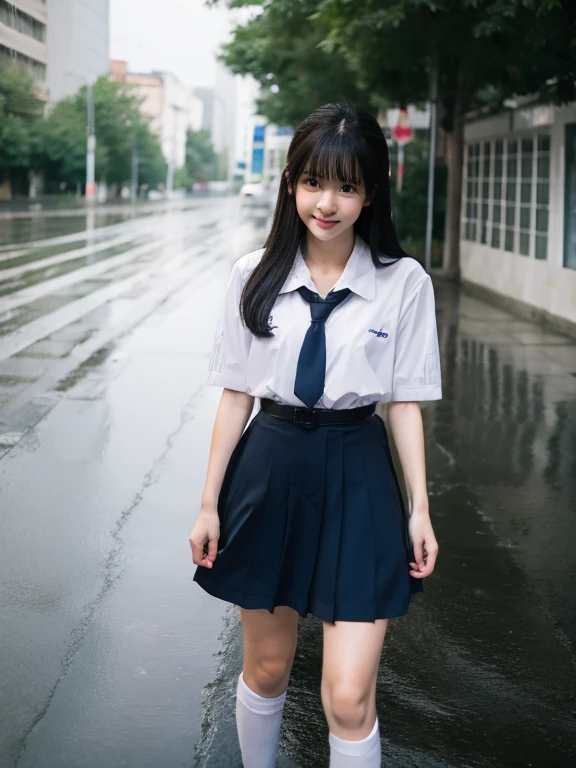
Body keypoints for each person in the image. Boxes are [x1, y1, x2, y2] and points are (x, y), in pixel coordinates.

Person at [189, 102, 441, 768]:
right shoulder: (254, 275)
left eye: (348, 186)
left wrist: (420, 509)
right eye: (313, 183)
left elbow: (406, 403)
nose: (327, 203)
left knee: (349, 695)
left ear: (371, 191)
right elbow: (237, 393)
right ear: (291, 183)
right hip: (270, 467)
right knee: (268, 668)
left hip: (358, 470)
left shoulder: (403, 282)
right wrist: (210, 501)